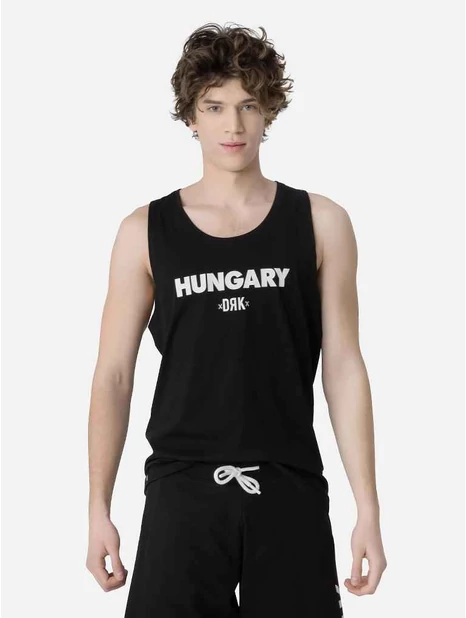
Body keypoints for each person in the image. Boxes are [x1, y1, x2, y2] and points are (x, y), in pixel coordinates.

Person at [86, 22, 387, 617]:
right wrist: (98, 507)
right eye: (215, 107)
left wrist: (368, 508)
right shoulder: (144, 231)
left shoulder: (321, 222)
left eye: (249, 105)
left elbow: (344, 366)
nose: (233, 125)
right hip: (181, 491)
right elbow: (113, 376)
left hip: (289, 485)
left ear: (269, 109)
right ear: (190, 116)